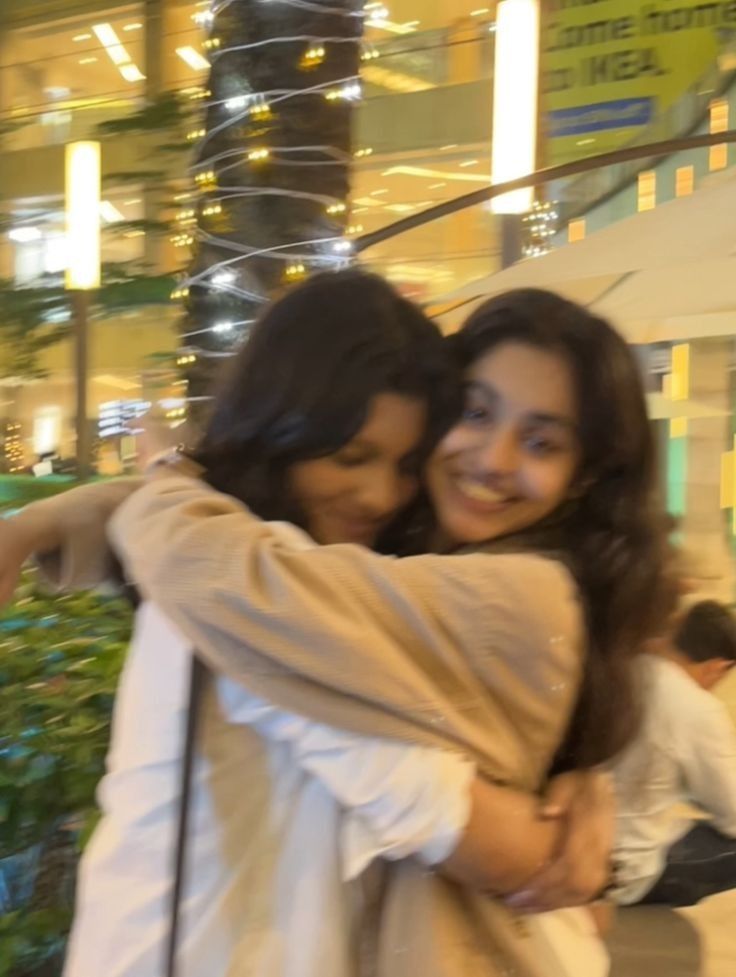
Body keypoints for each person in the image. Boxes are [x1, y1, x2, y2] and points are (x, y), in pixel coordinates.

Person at [3, 285, 675, 977]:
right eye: (474, 413)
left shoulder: (498, 592)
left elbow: (222, 567)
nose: (381, 494)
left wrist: (162, 478)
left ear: (582, 475)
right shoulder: (340, 579)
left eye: (540, 441)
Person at [613, 599, 736, 907]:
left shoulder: (626, 668)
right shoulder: (697, 707)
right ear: (718, 667)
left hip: (571, 852)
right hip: (625, 872)